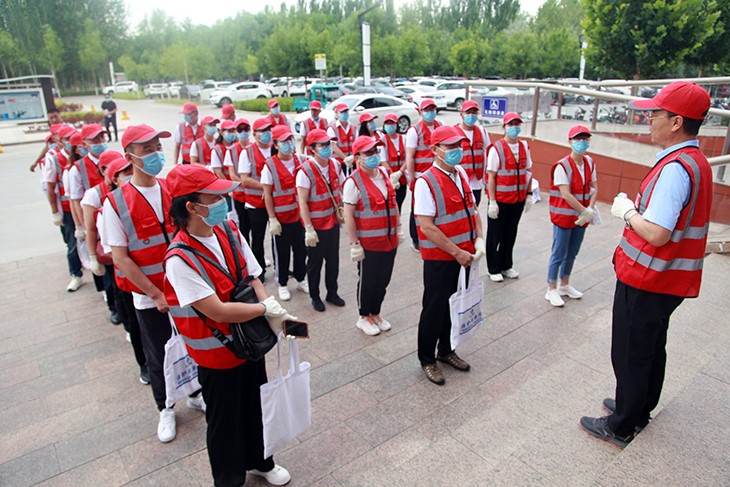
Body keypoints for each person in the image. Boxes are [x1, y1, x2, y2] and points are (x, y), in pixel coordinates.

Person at [580, 81, 713, 448]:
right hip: (666, 278)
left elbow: (657, 233)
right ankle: (638, 407)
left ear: (676, 122)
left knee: (631, 351)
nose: (649, 120)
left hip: (649, 277)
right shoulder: (694, 161)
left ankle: (621, 424)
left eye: (655, 114)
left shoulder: (675, 169)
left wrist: (627, 212)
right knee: (651, 346)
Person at [163, 164, 292, 487]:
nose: (224, 202)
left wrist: (272, 310)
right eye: (215, 198)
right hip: (217, 354)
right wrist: (264, 308)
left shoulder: (228, 229)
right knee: (224, 421)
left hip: (250, 342)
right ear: (192, 207)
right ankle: (229, 479)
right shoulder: (179, 258)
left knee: (255, 405)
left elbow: (253, 276)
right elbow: (216, 311)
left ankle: (260, 461)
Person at [102, 124, 205, 443]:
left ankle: (195, 393)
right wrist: (156, 294)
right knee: (159, 353)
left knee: (193, 344)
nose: (156, 154)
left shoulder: (170, 190)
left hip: (185, 289)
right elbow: (121, 258)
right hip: (150, 297)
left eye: (158, 147)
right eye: (147, 149)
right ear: (129, 157)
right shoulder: (115, 203)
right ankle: (166, 407)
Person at [414, 125, 484, 386]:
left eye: (459, 145)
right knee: (434, 309)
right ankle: (427, 359)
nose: (457, 150)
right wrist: (456, 251)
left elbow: (472, 209)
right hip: (441, 258)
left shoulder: (461, 173)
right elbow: (427, 226)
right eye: (451, 146)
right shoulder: (425, 182)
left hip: (464, 255)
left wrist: (478, 238)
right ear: (435, 150)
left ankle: (446, 350)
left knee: (453, 305)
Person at [90, 155, 150, 384]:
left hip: (154, 276)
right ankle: (144, 364)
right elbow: (113, 252)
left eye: (132, 170)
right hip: (129, 280)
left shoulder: (145, 199)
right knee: (136, 325)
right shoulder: (110, 207)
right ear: (114, 179)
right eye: (126, 173)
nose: (131, 175)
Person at [344, 136, 402, 336]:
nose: (374, 155)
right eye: (368, 152)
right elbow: (348, 215)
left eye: (376, 151)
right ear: (357, 158)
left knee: (383, 279)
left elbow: (393, 202)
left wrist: (399, 228)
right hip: (368, 243)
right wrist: (354, 244)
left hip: (389, 239)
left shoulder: (384, 173)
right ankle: (363, 316)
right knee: (368, 280)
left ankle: (375, 312)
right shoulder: (353, 182)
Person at [545, 125, 598, 307]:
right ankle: (551, 288)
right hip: (564, 217)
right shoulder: (562, 166)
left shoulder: (589, 163)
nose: (582, 142)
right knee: (558, 252)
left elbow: (594, 187)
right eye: (578, 139)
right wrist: (584, 210)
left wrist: (590, 209)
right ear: (570, 142)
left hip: (582, 218)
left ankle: (565, 284)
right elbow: (566, 194)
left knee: (573, 252)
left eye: (585, 139)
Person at [297, 128, 346, 312]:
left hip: (333, 222)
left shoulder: (335, 165)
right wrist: (308, 228)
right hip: (316, 226)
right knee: (315, 263)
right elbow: (302, 201)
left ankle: (332, 292)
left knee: (333, 260)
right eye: (322, 145)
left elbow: (343, 187)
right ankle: (315, 296)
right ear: (312, 149)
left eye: (328, 144)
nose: (327, 148)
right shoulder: (305, 171)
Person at [262, 125, 309, 301]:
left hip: (300, 217)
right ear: (275, 144)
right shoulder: (269, 165)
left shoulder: (301, 160)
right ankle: (282, 283)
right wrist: (272, 218)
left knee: (301, 250)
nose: (289, 144)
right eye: (284, 141)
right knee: (282, 253)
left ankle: (301, 278)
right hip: (281, 219)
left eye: (290, 139)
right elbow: (267, 194)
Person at [485, 112, 533, 282]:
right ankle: (493, 268)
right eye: (510, 125)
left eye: (517, 124)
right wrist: (492, 202)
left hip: (517, 199)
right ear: (504, 127)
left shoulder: (524, 147)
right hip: (500, 200)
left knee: (510, 233)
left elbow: (528, 171)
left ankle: (506, 265)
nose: (514, 128)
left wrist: (529, 194)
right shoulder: (496, 149)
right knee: (495, 235)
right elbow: (491, 176)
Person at [81, 150, 125, 325]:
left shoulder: (126, 189)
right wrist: (92, 256)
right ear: (103, 170)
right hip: (107, 247)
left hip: (125, 246)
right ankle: (115, 310)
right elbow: (91, 229)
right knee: (112, 284)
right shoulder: (94, 194)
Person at [42, 123, 83, 292]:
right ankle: (75, 274)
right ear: (59, 140)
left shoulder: (80, 154)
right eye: (66, 138)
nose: (69, 141)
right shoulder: (54, 159)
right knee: (72, 243)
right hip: (67, 209)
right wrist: (55, 212)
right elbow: (50, 187)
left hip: (83, 208)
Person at [238, 118, 274, 278]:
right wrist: (266, 187)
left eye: (268, 130)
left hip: (276, 203)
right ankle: (260, 271)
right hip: (256, 203)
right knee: (258, 240)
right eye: (263, 131)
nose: (267, 134)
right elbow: (245, 179)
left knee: (278, 239)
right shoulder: (247, 152)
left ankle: (281, 270)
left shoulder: (275, 149)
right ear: (254, 134)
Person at [406, 99, 441, 252]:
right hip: (421, 176)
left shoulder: (441, 126)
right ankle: (416, 238)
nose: (430, 113)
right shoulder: (415, 131)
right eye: (427, 110)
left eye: (432, 109)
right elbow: (410, 157)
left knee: (435, 207)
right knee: (417, 208)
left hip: (438, 175)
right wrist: (411, 179)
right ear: (420, 112)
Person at [69, 123, 109, 247]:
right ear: (84, 144)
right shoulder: (77, 168)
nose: (100, 142)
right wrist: (86, 229)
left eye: (102, 138)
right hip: (95, 221)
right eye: (95, 140)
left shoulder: (115, 160)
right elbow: (76, 200)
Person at [453, 100, 490, 207]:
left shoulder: (482, 132)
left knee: (474, 209)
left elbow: (487, 155)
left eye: (474, 112)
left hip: (476, 182)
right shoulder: (454, 132)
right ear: (461, 114)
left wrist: (486, 180)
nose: (471, 115)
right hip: (459, 181)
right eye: (468, 112)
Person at [227, 118, 252, 243]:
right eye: (240, 130)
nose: (243, 132)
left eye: (246, 129)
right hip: (240, 194)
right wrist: (246, 183)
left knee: (256, 226)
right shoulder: (231, 151)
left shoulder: (254, 148)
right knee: (244, 225)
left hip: (254, 196)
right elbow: (232, 174)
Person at [380, 113, 407, 213]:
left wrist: (400, 172)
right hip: (389, 179)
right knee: (390, 206)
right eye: (387, 123)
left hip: (402, 178)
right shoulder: (382, 141)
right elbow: (383, 161)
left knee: (399, 203)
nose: (389, 126)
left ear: (396, 125)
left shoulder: (404, 138)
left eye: (392, 123)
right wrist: (393, 176)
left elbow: (408, 157)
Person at [327, 103, 355, 176]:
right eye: (342, 112)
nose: (344, 114)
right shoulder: (332, 129)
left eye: (346, 111)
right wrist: (346, 159)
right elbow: (334, 146)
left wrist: (352, 158)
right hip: (338, 162)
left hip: (352, 161)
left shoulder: (353, 128)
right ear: (337, 113)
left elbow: (356, 144)